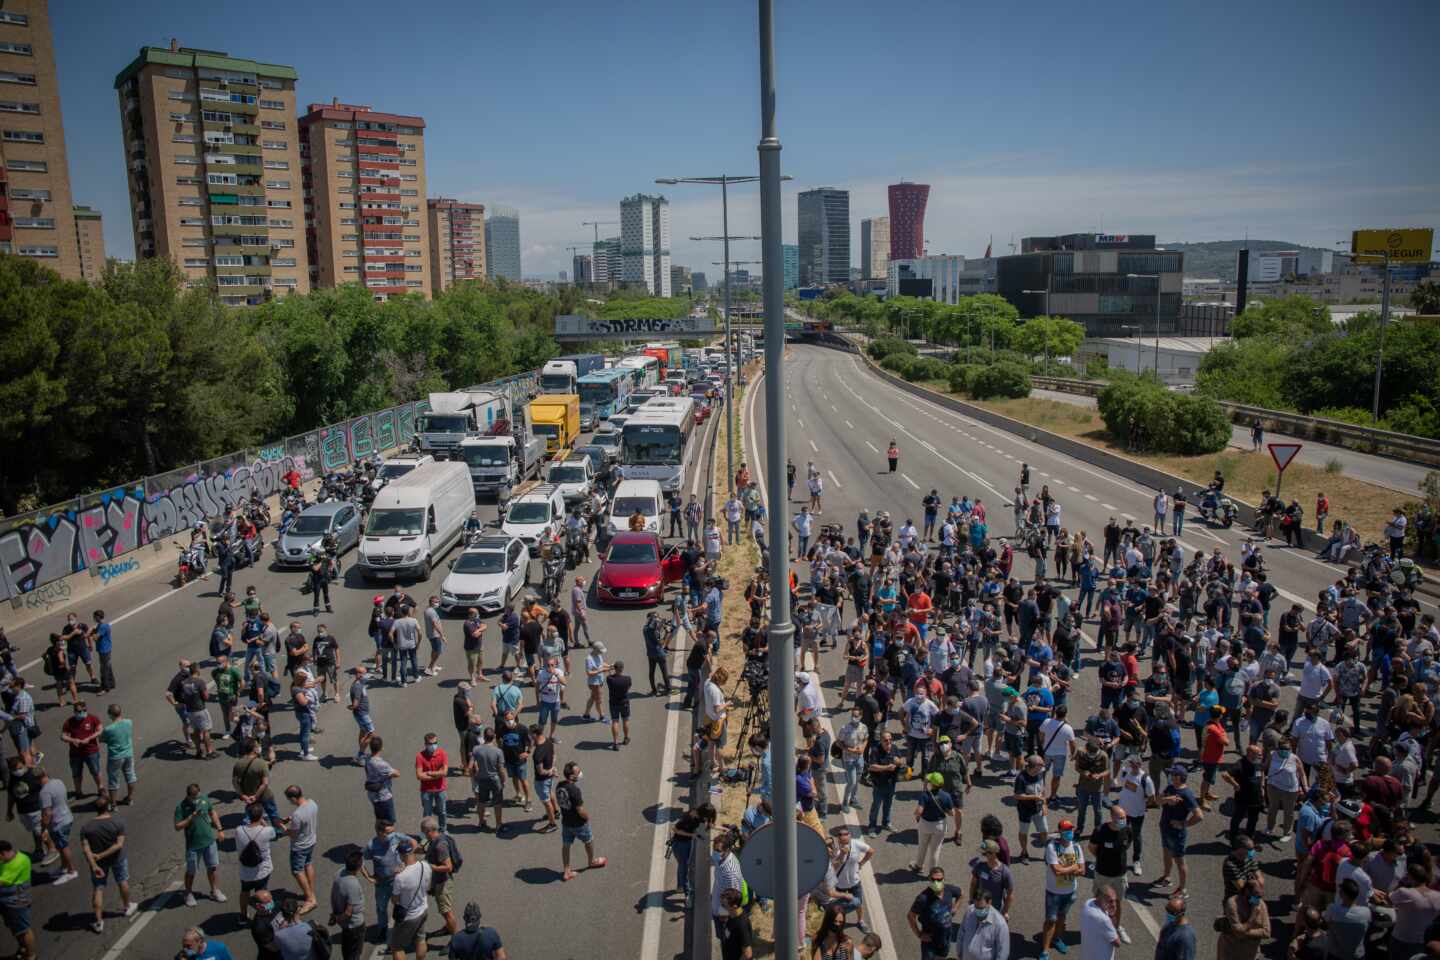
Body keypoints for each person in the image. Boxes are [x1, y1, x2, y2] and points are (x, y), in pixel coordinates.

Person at [79, 796, 135, 933]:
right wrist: (102, 855)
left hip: (99, 864)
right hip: (118, 859)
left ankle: (98, 922)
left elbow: (86, 849)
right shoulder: (118, 822)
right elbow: (119, 845)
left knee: (98, 888)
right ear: (108, 807)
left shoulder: (86, 827)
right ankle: (127, 906)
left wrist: (94, 864)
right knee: (122, 881)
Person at [175, 782, 227, 906]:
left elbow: (212, 812)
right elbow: (177, 826)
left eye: (198, 796)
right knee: (191, 871)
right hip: (193, 845)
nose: (198, 799)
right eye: (195, 798)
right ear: (189, 796)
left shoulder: (204, 800)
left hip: (209, 841)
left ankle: (214, 890)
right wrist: (190, 818)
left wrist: (220, 829)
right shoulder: (181, 807)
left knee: (213, 867)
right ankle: (188, 893)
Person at [1040, 819, 1085, 960]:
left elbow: (1082, 870)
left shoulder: (1077, 847)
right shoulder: (1052, 847)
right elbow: (1057, 871)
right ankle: (1045, 951)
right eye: (1066, 830)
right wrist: (1073, 868)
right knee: (1050, 920)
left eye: (1070, 830)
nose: (1069, 833)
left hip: (1070, 892)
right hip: (1054, 892)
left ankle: (1057, 939)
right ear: (1060, 832)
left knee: (1062, 917)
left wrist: (1066, 868)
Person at [1155, 764, 1203, 898]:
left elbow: (1199, 815)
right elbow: (1157, 801)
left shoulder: (1186, 794)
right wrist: (1166, 799)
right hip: (1165, 828)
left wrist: (1183, 824)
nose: (1170, 776)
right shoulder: (1170, 788)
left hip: (1177, 833)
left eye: (1173, 774)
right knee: (1166, 852)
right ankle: (1166, 877)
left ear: (1179, 777)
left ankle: (1183, 889)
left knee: (1179, 860)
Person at [1087, 806, 1133, 944]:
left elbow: (1127, 845)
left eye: (1124, 817)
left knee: (1117, 902)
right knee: (1100, 902)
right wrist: (1102, 859)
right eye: (1120, 818)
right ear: (1112, 817)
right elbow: (1092, 848)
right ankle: (1098, 928)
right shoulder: (1101, 831)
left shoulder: (1127, 829)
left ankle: (1116, 927)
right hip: (1103, 874)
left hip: (1120, 874)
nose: (1123, 820)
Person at [555, 761, 606, 881]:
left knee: (566, 845)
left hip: (566, 822)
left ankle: (567, 870)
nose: (580, 773)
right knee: (589, 841)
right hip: (579, 824)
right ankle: (591, 861)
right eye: (578, 772)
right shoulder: (574, 790)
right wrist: (587, 817)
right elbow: (580, 810)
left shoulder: (559, 786)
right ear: (572, 776)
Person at [234, 802, 282, 922]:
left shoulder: (239, 830)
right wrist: (263, 822)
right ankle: (264, 915)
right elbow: (273, 834)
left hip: (245, 872)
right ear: (261, 815)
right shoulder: (267, 831)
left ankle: (243, 915)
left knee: (245, 892)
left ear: (248, 815)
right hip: (262, 870)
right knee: (262, 893)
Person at [388, 838, 432, 960]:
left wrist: (396, 876)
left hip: (409, 916)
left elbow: (395, 900)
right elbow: (428, 886)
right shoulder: (425, 866)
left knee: (397, 947)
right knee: (421, 939)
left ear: (402, 855)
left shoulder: (400, 877)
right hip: (423, 909)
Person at [907, 865, 963, 960]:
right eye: (933, 880)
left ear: (944, 879)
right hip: (930, 942)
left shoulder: (948, 890)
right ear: (929, 879)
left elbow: (961, 894)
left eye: (939, 879)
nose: (936, 882)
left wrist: (955, 908)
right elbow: (910, 916)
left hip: (945, 938)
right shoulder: (923, 898)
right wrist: (919, 934)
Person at [281, 785, 319, 915]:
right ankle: (310, 890)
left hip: (299, 846)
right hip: (311, 841)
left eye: (289, 799)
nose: (289, 802)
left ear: (293, 798)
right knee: (308, 864)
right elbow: (306, 819)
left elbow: (293, 834)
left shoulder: (298, 814)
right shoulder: (312, 803)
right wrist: (291, 819)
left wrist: (283, 828)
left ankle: (310, 899)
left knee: (297, 870)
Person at [420, 817, 458, 940]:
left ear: (430, 831)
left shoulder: (440, 846)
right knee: (445, 910)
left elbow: (448, 867)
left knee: (446, 912)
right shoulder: (437, 839)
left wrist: (432, 867)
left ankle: (456, 938)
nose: (423, 834)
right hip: (440, 881)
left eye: (424, 832)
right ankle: (448, 928)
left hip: (443, 883)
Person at [61, 699, 105, 799]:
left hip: (91, 751)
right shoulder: (69, 722)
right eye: (79, 711)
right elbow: (63, 736)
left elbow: (100, 730)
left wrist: (89, 738)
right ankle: (78, 792)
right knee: (76, 773)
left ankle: (100, 788)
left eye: (84, 710)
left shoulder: (92, 718)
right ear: (75, 711)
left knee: (95, 770)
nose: (82, 713)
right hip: (75, 753)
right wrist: (72, 740)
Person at [1218, 875, 1269, 960]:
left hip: (1251, 954)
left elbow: (1266, 932)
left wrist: (1243, 931)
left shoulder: (1260, 904)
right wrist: (1253, 915)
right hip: (1231, 953)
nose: (1258, 900)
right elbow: (1238, 931)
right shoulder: (1233, 904)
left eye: (1260, 896)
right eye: (1256, 896)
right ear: (1247, 892)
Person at [465, 726, 505, 833]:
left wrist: (474, 776)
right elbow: (501, 769)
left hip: (481, 779)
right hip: (494, 779)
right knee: (497, 803)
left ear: (484, 737)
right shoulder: (498, 752)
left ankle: (481, 822)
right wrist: (503, 780)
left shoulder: (476, 749)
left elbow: (470, 766)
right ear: (494, 737)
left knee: (481, 802)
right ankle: (498, 825)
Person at [329, 850, 367, 960]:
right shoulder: (352, 884)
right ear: (359, 866)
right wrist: (337, 918)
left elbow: (334, 894)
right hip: (354, 925)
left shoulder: (339, 873)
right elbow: (348, 912)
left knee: (346, 950)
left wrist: (335, 916)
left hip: (345, 924)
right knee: (354, 954)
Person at [953, 887, 1009, 960]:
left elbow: (1002, 952)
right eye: (976, 907)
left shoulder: (1000, 924)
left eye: (981, 908)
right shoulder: (970, 911)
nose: (978, 911)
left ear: (989, 902)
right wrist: (959, 951)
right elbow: (962, 932)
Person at [0, 841, 34, 960]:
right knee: (14, 927)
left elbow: (2, 882)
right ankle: (23, 948)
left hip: (16, 902)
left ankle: (31, 956)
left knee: (23, 929)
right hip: (6, 900)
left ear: (2, 853)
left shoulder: (17, 863)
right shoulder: (9, 859)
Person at [414, 733, 449, 834]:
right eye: (430, 743)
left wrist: (430, 773)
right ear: (425, 744)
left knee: (442, 811)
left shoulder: (442, 754)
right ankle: (425, 834)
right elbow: (419, 776)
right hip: (426, 791)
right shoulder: (420, 756)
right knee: (427, 814)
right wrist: (437, 774)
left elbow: (445, 772)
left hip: (440, 789)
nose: (433, 745)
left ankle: (443, 830)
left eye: (435, 743)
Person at [1077, 884, 1120, 960]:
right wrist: (1112, 915)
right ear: (1100, 899)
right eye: (1110, 901)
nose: (1114, 905)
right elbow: (1117, 943)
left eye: (1115, 901)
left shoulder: (1089, 902)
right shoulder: (1104, 920)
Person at [1153, 895, 1196, 960]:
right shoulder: (1168, 925)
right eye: (1167, 909)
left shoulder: (1185, 936)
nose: (1168, 913)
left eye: (1171, 912)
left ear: (1181, 913)